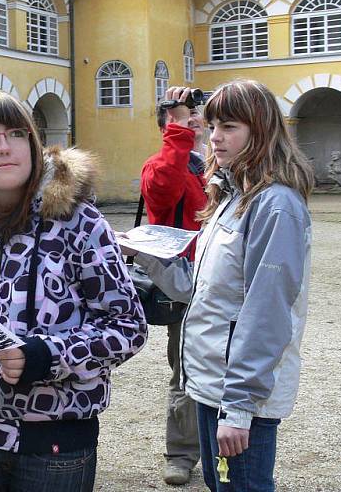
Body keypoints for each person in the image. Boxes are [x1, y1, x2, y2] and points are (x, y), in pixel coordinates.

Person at [0, 91, 148, 492]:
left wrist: (44, 355)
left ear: (33, 145)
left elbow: (127, 327)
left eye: (16, 133)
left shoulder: (80, 223)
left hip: (53, 446)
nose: (4, 146)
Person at [128, 80, 314, 492]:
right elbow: (198, 290)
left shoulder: (275, 205)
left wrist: (240, 408)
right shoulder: (232, 196)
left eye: (228, 126)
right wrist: (144, 253)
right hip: (212, 383)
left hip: (239, 395)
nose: (214, 137)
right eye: (211, 125)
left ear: (260, 130)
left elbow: (267, 312)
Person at [140, 86, 206, 486]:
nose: (193, 122)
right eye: (183, 118)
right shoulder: (159, 167)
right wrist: (178, 129)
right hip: (187, 291)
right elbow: (164, 188)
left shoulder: (211, 168)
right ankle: (181, 454)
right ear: (168, 128)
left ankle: (221, 446)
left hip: (224, 285)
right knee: (186, 373)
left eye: (196, 117)